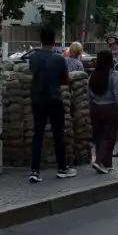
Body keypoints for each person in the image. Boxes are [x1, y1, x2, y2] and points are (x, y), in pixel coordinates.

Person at [28, 27, 77, 182]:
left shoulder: (33, 57)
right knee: (58, 134)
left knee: (38, 134)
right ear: (54, 42)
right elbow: (66, 80)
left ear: (41, 41)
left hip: (37, 99)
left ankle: (35, 171)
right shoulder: (59, 58)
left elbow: (32, 73)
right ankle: (62, 168)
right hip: (54, 98)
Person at [87, 50, 118, 174]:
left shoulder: (93, 75)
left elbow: (89, 93)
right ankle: (98, 161)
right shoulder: (114, 75)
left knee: (99, 135)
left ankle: (107, 163)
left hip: (95, 108)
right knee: (109, 136)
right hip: (110, 108)